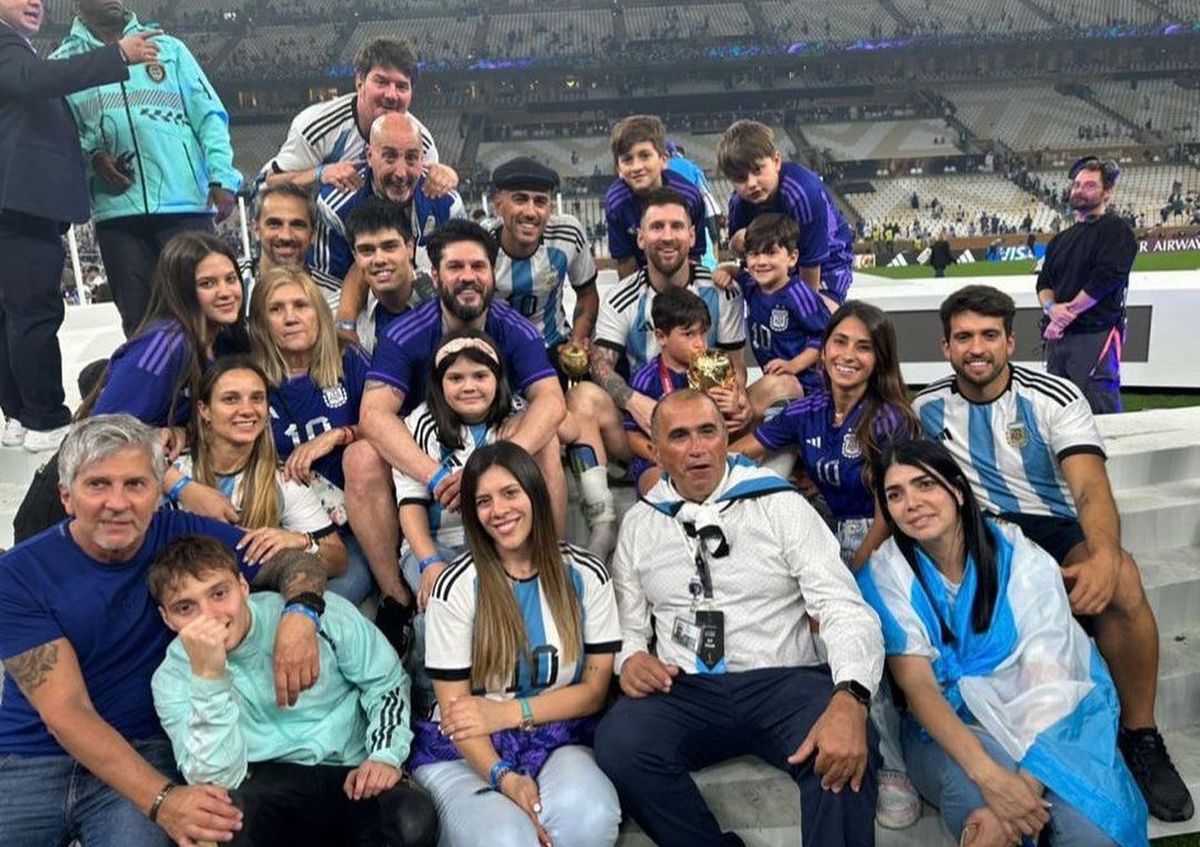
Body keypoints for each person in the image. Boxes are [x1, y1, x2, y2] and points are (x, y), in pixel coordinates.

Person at [915, 284, 1192, 822]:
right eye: (964, 337)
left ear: (1010, 342)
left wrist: (1105, 556)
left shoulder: (1054, 396)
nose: (977, 348)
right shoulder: (927, 407)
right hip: (981, 538)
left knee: (1123, 578)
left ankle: (1140, 733)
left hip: (1050, 526)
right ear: (946, 347)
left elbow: (1089, 488)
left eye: (989, 335)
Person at [0, 414, 325, 847]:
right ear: (66, 497)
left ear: (158, 493)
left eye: (135, 484)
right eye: (97, 485)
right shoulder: (19, 574)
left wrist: (301, 617)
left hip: (147, 747)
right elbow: (67, 711)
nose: (117, 502)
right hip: (31, 758)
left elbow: (293, 562)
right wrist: (163, 801)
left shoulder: (183, 536)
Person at [594, 389, 884, 847]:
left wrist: (851, 696)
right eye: (679, 436)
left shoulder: (780, 504)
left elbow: (841, 605)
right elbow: (630, 627)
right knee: (620, 744)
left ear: (726, 438)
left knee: (845, 744)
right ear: (656, 451)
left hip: (784, 680)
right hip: (686, 688)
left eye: (708, 432)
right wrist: (630, 660)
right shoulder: (640, 525)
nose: (697, 448)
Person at [857, 438, 1148, 846]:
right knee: (982, 820)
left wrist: (1024, 784)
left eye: (925, 484)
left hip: (1050, 718)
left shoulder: (1017, 554)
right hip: (950, 730)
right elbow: (919, 687)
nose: (912, 503)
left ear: (958, 490)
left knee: (1092, 831)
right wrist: (990, 778)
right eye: (895, 494)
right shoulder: (885, 573)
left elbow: (1052, 675)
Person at [150, 539, 440, 847]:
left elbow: (386, 681)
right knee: (218, 828)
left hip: (350, 769)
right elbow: (217, 781)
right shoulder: (171, 677)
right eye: (185, 608)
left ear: (243, 587)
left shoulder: (317, 615)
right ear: (167, 618)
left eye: (219, 594)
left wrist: (385, 756)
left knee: (410, 819)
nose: (209, 616)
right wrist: (210, 680)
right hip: (263, 782)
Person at [350, 220, 567, 625]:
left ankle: (548, 565)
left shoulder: (514, 328)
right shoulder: (405, 334)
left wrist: (499, 461)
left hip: (490, 440)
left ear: (492, 273)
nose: (468, 277)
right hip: (424, 448)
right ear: (435, 276)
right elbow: (374, 415)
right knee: (361, 457)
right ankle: (396, 598)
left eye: (478, 266)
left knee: (547, 440)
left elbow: (552, 402)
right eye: (455, 267)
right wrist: (434, 475)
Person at [408, 442, 622, 847]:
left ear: (534, 494)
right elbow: (458, 716)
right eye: (483, 501)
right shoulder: (455, 586)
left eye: (510, 493)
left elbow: (594, 692)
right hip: (465, 750)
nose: (499, 510)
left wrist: (507, 713)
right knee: (506, 839)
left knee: (590, 818)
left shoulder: (587, 573)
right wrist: (504, 778)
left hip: (558, 734)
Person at [14, 231, 248, 544]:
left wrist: (182, 430)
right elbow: (100, 435)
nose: (225, 292)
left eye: (230, 279)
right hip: (70, 507)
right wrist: (182, 487)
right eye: (207, 283)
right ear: (181, 290)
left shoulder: (223, 343)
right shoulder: (165, 344)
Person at [0, 0, 156, 452]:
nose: (36, 2)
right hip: (21, 201)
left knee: (12, 314)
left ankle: (19, 414)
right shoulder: (6, 44)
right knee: (34, 311)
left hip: (15, 201)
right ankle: (46, 419)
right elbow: (33, 80)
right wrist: (117, 55)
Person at [51, 0, 242, 338]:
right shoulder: (64, 64)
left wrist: (221, 175)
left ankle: (222, 375)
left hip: (185, 205)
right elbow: (62, 138)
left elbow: (209, 115)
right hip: (117, 215)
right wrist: (94, 158)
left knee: (212, 319)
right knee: (141, 325)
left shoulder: (169, 49)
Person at [571, 188, 748, 471]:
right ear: (640, 238)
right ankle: (601, 497)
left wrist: (739, 396)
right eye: (656, 227)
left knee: (781, 387)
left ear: (692, 235)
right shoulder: (620, 298)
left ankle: (730, 473)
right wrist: (635, 402)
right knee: (581, 397)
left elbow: (736, 365)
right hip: (646, 428)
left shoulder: (722, 291)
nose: (667, 236)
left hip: (711, 419)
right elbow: (601, 366)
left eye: (676, 226)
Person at [733, 300, 919, 569]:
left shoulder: (889, 420)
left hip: (880, 546)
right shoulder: (807, 411)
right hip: (823, 533)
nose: (848, 355)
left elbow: (888, 518)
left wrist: (854, 576)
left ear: (880, 358)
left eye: (863, 347)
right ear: (823, 350)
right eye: (840, 342)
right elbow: (737, 453)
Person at [394, 329, 520, 713]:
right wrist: (429, 562)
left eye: (480, 376)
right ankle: (431, 701)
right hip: (435, 543)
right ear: (439, 382)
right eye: (455, 378)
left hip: (498, 541)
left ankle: (497, 694)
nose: (469, 387)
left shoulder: (517, 418)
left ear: (497, 378)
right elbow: (410, 504)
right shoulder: (420, 423)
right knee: (438, 600)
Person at [249, 264, 374, 602]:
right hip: (284, 526)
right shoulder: (250, 378)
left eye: (301, 305)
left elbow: (393, 427)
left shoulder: (350, 358)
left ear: (318, 311)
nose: (291, 318)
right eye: (276, 309)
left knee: (332, 601)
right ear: (260, 324)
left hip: (351, 528)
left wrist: (336, 436)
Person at [170, 355, 350, 586]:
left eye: (257, 398)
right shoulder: (174, 470)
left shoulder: (284, 480)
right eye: (230, 399)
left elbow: (338, 559)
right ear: (204, 410)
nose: (247, 410)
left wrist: (301, 541)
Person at [263, 37, 455, 197]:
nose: (391, 95)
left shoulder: (422, 144)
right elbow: (271, 183)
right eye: (381, 82)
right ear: (360, 82)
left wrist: (447, 177)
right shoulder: (316, 127)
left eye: (401, 86)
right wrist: (320, 174)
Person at [310, 112, 464, 309]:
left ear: (422, 158)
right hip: (361, 314)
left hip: (433, 309)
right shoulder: (335, 206)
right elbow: (328, 287)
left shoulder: (446, 202)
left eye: (411, 158)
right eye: (389, 157)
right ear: (369, 156)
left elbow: (462, 272)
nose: (401, 173)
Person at [1038, 156, 1137, 414]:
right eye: (1077, 185)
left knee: (1099, 412)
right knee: (1059, 411)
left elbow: (1104, 280)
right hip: (1059, 339)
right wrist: (1051, 309)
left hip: (1095, 334)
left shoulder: (1116, 230)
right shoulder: (1060, 240)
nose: (1080, 190)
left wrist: (1062, 317)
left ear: (1107, 192)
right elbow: (1044, 283)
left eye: (1090, 185)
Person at [716, 120, 856, 303]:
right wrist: (738, 243)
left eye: (757, 170)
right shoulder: (738, 203)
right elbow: (743, 256)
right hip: (782, 263)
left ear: (776, 161)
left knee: (820, 313)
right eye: (740, 178)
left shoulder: (802, 193)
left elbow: (811, 270)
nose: (751, 183)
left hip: (828, 261)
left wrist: (805, 312)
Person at [486, 156, 598, 378]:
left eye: (540, 202)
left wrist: (577, 340)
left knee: (589, 397)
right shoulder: (480, 244)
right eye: (520, 199)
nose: (531, 212)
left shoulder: (568, 234)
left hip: (552, 347)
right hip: (495, 352)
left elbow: (587, 294)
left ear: (551, 208)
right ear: (498, 206)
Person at [736, 212, 838, 403]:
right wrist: (724, 271)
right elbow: (736, 273)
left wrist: (793, 365)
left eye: (771, 252)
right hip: (776, 381)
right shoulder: (751, 286)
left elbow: (825, 337)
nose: (761, 261)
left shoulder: (799, 295)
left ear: (792, 258)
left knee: (748, 408)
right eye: (754, 254)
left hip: (809, 387)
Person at [605, 114, 708, 279]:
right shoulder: (616, 203)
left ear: (663, 160)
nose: (637, 167)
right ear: (618, 169)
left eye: (645, 156)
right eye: (627, 159)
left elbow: (694, 254)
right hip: (640, 276)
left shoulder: (689, 196)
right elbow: (625, 262)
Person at [345, 197, 416, 354]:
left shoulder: (442, 294)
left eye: (390, 247)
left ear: (410, 247)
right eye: (366, 250)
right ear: (354, 255)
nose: (379, 260)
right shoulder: (333, 315)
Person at [243, 181, 316, 292]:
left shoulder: (334, 297)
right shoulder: (232, 280)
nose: (286, 236)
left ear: (312, 234)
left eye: (297, 225)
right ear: (256, 229)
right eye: (275, 224)